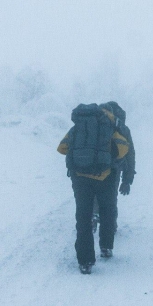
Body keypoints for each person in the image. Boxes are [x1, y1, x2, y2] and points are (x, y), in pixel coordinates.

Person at [57, 104, 130, 274]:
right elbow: (123, 148)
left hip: (80, 179)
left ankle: (85, 262)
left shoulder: (76, 129)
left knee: (83, 218)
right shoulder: (109, 126)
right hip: (105, 177)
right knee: (107, 212)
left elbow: (61, 148)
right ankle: (105, 247)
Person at [95, 101, 136, 233]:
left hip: (92, 165)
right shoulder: (121, 127)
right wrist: (127, 179)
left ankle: (93, 215)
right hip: (114, 167)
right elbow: (130, 154)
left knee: (93, 192)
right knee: (110, 198)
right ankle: (111, 226)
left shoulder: (94, 122)